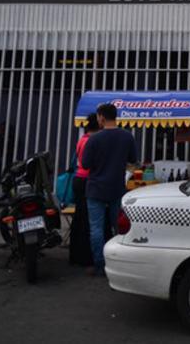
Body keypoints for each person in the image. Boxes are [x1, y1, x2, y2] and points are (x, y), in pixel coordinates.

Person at [81, 103, 138, 276]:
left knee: (96, 229)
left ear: (102, 118)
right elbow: (133, 160)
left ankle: (100, 266)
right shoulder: (127, 137)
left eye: (98, 117)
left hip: (96, 189)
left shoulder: (94, 139)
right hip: (117, 189)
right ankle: (117, 265)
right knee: (118, 228)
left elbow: (85, 164)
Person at [69, 114, 99, 267]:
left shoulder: (82, 139)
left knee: (79, 217)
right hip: (87, 180)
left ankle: (74, 254)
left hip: (78, 179)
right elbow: (90, 163)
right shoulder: (92, 141)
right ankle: (85, 256)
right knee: (87, 219)